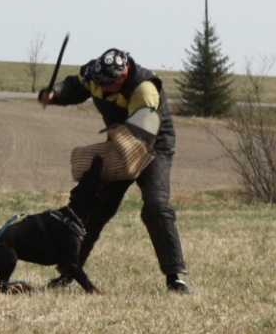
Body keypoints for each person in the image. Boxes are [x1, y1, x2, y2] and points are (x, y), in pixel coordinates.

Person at [39, 48, 194, 294]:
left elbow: (142, 135)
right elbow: (74, 87)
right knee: (95, 208)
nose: (101, 90)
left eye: (108, 86)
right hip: (120, 142)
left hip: (153, 144)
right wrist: (54, 93)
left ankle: (175, 278)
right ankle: (70, 273)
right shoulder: (95, 74)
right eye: (99, 85)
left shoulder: (144, 89)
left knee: (156, 205)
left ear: (123, 75)